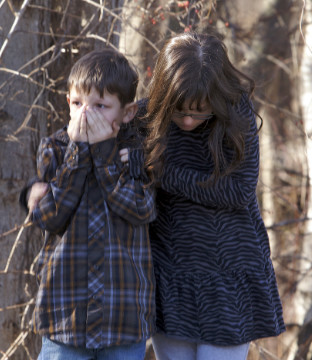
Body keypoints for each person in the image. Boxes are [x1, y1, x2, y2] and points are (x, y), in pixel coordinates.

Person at [135, 32, 285, 359]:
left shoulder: (236, 113)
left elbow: (237, 190)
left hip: (229, 276)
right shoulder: (144, 118)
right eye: (179, 111)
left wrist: (164, 174)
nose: (188, 120)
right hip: (171, 277)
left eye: (200, 111)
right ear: (165, 94)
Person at [19, 48, 156, 360]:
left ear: (128, 112)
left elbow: (142, 209)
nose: (86, 114)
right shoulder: (54, 149)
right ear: (68, 103)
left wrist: (107, 156)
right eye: (78, 104)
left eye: (100, 106)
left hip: (122, 319)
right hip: (65, 317)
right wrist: (78, 155)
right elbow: (49, 216)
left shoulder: (136, 154)